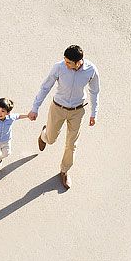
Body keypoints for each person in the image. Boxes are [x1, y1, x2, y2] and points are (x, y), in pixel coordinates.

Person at [27, 45, 99, 190]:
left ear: (78, 62)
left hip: (78, 111)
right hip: (58, 108)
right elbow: (45, 87)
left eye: (69, 62)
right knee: (51, 139)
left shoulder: (91, 70)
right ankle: (44, 135)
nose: (65, 64)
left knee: (72, 144)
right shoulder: (59, 67)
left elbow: (94, 91)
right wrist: (35, 108)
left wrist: (93, 113)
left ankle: (64, 170)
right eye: (65, 61)